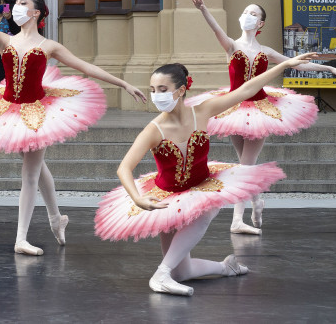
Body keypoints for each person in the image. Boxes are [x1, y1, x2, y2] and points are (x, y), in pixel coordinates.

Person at [0, 0, 147, 255]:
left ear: (35, 13)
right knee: (37, 167)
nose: (16, 7)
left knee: (29, 173)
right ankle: (56, 219)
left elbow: (85, 67)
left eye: (23, 3)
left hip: (38, 111)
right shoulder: (4, 39)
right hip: (9, 107)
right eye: (16, 3)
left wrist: (124, 83)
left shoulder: (49, 46)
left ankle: (21, 239)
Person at [93, 55, 317, 296]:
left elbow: (246, 90)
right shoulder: (153, 129)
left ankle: (160, 275)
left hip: (203, 184)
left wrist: (284, 64)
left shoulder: (203, 111)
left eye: (162, 89)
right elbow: (124, 167)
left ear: (180, 90)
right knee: (181, 272)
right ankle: (225, 267)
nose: (156, 95)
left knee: (208, 207)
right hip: (168, 195)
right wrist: (138, 199)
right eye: (153, 89)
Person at [186, 0, 336, 234]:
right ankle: (256, 200)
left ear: (260, 24)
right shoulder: (232, 45)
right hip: (233, 108)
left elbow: (298, 64)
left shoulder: (266, 51)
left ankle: (237, 220)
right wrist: (203, 9)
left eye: (253, 14)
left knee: (245, 165)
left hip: (260, 109)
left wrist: (328, 67)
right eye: (245, 12)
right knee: (245, 164)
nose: (247, 16)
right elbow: (216, 30)